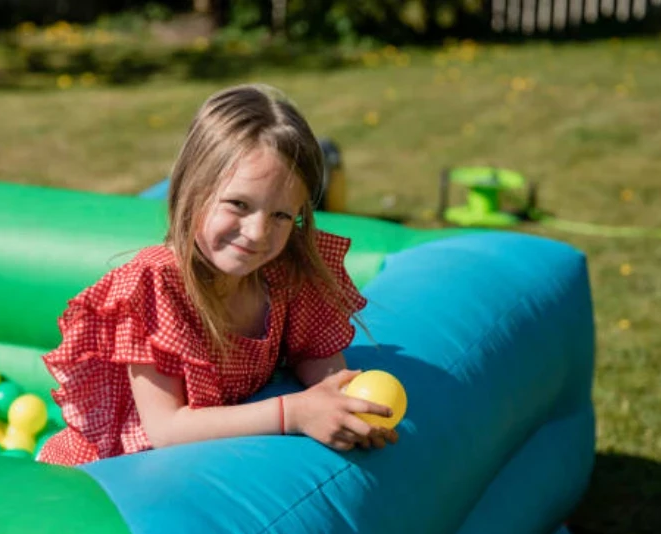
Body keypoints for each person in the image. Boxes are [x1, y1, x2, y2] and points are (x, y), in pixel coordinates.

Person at [38, 84, 398, 466]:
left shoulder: (285, 270)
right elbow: (166, 428)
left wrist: (339, 394)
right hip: (106, 474)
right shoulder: (155, 288)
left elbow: (312, 352)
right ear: (192, 190)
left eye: (280, 215)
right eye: (239, 204)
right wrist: (293, 413)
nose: (258, 233)